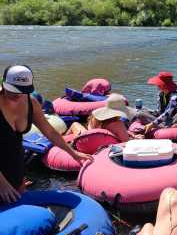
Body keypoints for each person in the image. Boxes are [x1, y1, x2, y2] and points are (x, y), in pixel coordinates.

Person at [0, 65, 92, 203]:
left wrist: (73, 153)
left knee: (19, 207)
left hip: (15, 165)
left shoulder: (31, 103)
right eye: (13, 91)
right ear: (3, 83)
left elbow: (49, 132)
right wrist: (2, 184)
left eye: (22, 91)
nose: (18, 95)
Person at [66, 93, 141, 142]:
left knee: (75, 124)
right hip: (100, 149)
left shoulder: (94, 119)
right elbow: (126, 142)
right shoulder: (118, 124)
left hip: (85, 143)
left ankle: (64, 138)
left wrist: (129, 133)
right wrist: (135, 139)